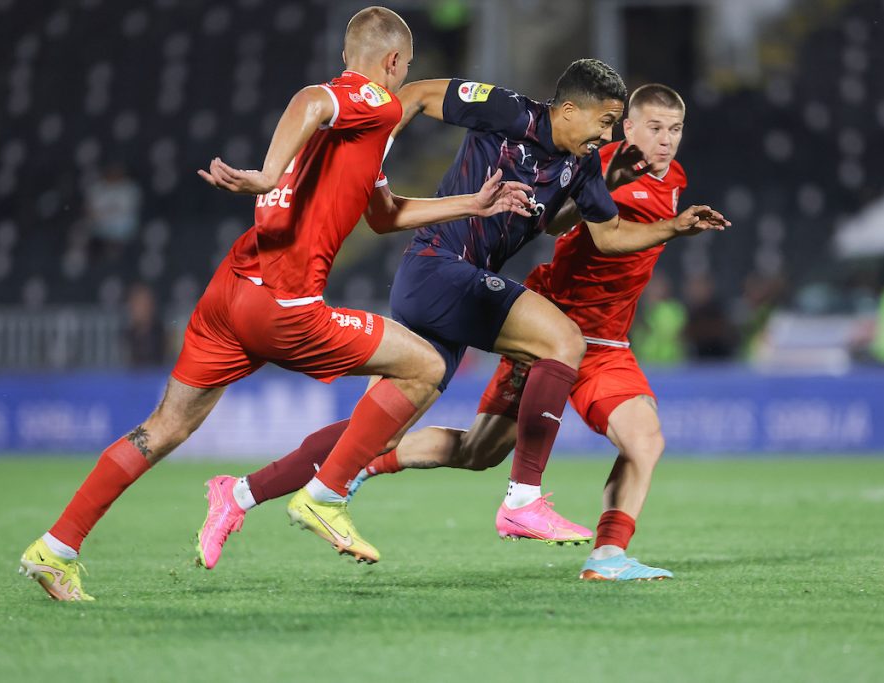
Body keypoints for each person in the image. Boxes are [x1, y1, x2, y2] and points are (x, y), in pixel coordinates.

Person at [18, 6, 533, 602]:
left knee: (161, 429)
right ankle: (328, 494)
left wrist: (471, 204)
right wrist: (267, 174)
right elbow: (311, 101)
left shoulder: (355, 135)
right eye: (406, 67)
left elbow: (384, 214)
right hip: (286, 306)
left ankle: (55, 549)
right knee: (426, 367)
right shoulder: (373, 102)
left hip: (232, 290)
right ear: (393, 62)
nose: (403, 76)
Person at [196, 83, 729, 581]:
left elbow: (565, 223)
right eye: (616, 123)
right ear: (576, 111)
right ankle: (524, 501)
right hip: (446, 267)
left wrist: (642, 206)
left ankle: (240, 493)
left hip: (470, 285)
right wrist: (372, 161)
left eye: (672, 129)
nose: (611, 136)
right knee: (561, 340)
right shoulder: (513, 113)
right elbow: (420, 93)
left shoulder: (593, 166)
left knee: (400, 433)